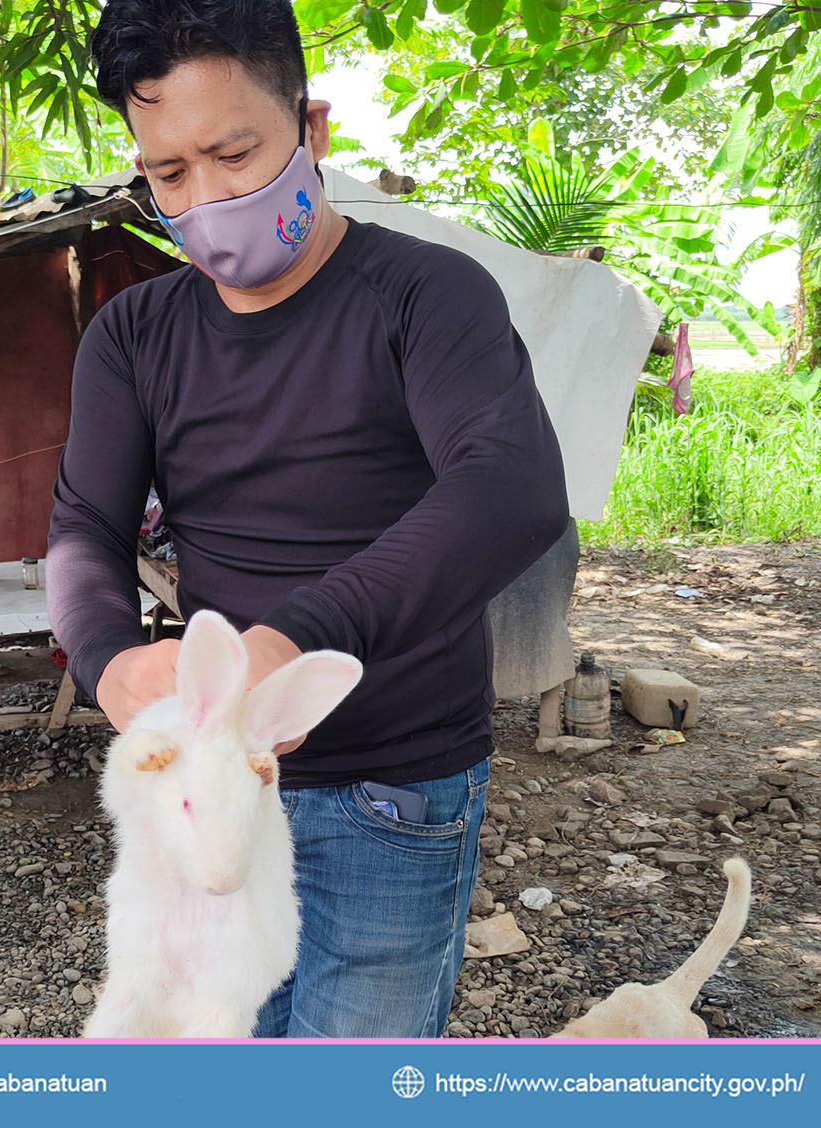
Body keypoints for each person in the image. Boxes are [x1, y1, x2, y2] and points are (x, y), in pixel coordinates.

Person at [47, 0, 569, 1037]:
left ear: (311, 129)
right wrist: (107, 658)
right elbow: (83, 530)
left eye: (233, 154)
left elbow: (512, 484)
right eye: (168, 176)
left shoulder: (426, 296)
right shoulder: (134, 334)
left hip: (397, 793)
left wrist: (297, 636)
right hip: (219, 797)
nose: (204, 199)